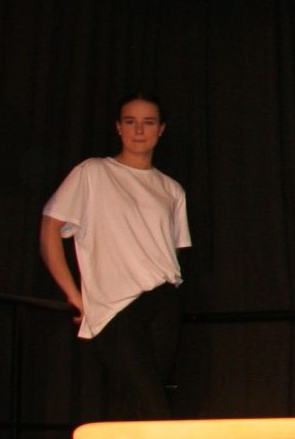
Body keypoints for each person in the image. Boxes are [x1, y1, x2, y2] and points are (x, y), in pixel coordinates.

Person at [41, 93, 191, 420]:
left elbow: (173, 248)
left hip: (163, 300)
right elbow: (50, 227)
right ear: (118, 127)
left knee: (141, 405)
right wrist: (74, 295)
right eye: (130, 121)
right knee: (153, 408)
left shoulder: (171, 189)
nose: (139, 130)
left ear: (161, 129)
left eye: (148, 122)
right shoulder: (93, 172)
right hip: (115, 307)